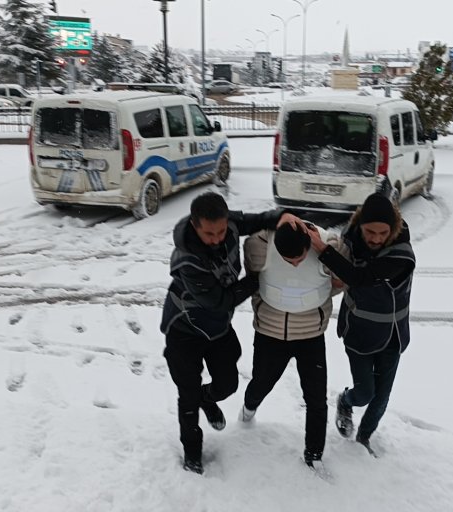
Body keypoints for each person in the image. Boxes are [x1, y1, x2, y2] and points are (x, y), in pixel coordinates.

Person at [160, 192, 299, 475]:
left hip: (216, 327)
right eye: (209, 233)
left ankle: (207, 398)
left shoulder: (228, 225)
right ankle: (192, 452)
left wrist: (282, 217)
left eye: (221, 230)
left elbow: (256, 221)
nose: (217, 238)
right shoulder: (188, 260)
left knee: (228, 384)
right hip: (184, 329)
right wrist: (261, 279)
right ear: (195, 226)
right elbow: (221, 300)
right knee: (186, 396)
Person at [308, 193, 415, 453]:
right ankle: (346, 400)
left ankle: (364, 438)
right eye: (370, 231)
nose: (376, 238)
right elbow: (342, 273)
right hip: (359, 332)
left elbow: (361, 277)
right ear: (360, 225)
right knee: (365, 393)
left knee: (380, 398)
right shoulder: (350, 239)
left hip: (393, 335)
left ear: (393, 228)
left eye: (383, 232)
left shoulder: (402, 254)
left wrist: (324, 251)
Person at [238, 221, 341, 470]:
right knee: (262, 382)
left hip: (311, 335)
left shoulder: (329, 244)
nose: (295, 264)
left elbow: (341, 280)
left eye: (300, 259)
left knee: (316, 399)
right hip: (270, 333)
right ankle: (249, 408)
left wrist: (313, 301)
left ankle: (314, 455)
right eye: (288, 260)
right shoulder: (259, 244)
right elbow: (252, 276)